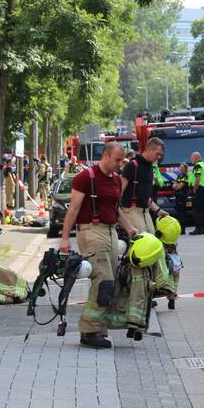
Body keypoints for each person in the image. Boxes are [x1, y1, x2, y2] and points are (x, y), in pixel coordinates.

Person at [59, 142, 139, 349]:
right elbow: (73, 209)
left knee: (111, 284)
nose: (120, 164)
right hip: (91, 232)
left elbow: (116, 210)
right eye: (117, 160)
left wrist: (129, 229)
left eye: (122, 160)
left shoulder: (114, 180)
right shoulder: (86, 177)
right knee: (104, 280)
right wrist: (65, 239)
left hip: (111, 233)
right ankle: (89, 331)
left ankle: (99, 327)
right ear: (105, 155)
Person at [120, 137, 166, 233]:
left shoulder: (150, 168)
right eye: (157, 154)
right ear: (149, 149)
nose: (159, 157)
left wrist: (158, 211)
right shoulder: (132, 165)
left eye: (160, 155)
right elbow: (119, 191)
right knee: (143, 242)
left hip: (145, 211)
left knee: (153, 241)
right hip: (131, 210)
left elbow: (145, 196)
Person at [188, 151, 204, 235]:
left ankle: (198, 228)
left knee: (197, 210)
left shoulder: (197, 166)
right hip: (203, 188)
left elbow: (197, 178)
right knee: (202, 209)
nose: (191, 159)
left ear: (196, 158)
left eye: (192, 158)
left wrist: (195, 189)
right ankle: (202, 228)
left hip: (198, 189)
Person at [172, 162, 189, 234]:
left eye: (182, 168)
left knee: (182, 213)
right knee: (178, 213)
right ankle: (179, 229)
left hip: (182, 196)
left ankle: (183, 229)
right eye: (180, 168)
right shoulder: (179, 176)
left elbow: (179, 186)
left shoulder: (185, 176)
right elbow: (173, 186)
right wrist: (176, 185)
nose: (181, 169)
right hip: (177, 196)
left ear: (185, 169)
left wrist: (176, 185)